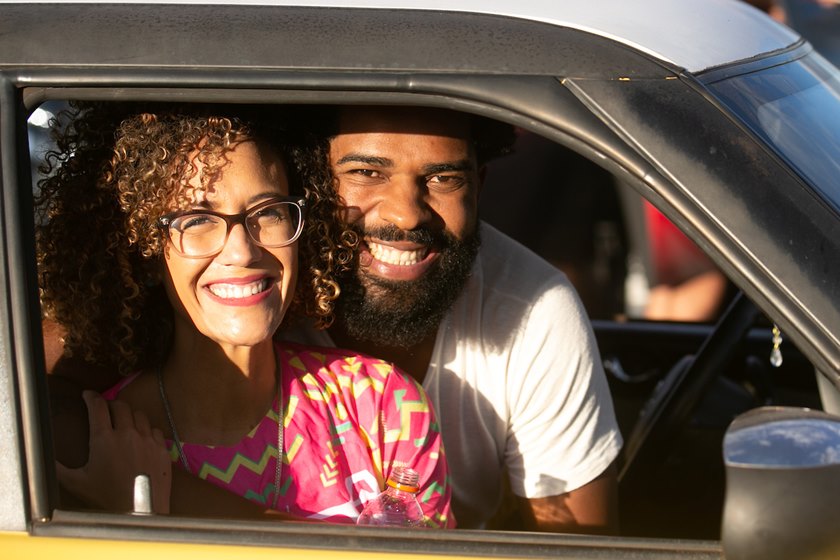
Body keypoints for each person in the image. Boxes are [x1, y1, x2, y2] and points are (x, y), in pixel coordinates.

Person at [37, 103, 453, 527]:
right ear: (144, 254)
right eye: (196, 220)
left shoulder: (383, 406)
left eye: (269, 212)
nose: (242, 251)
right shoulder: (104, 444)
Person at [286, 105, 623, 532]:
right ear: (310, 178)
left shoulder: (533, 307)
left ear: (478, 188)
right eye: (367, 173)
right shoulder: (256, 291)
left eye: (443, 178)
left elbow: (574, 547)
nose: (407, 214)